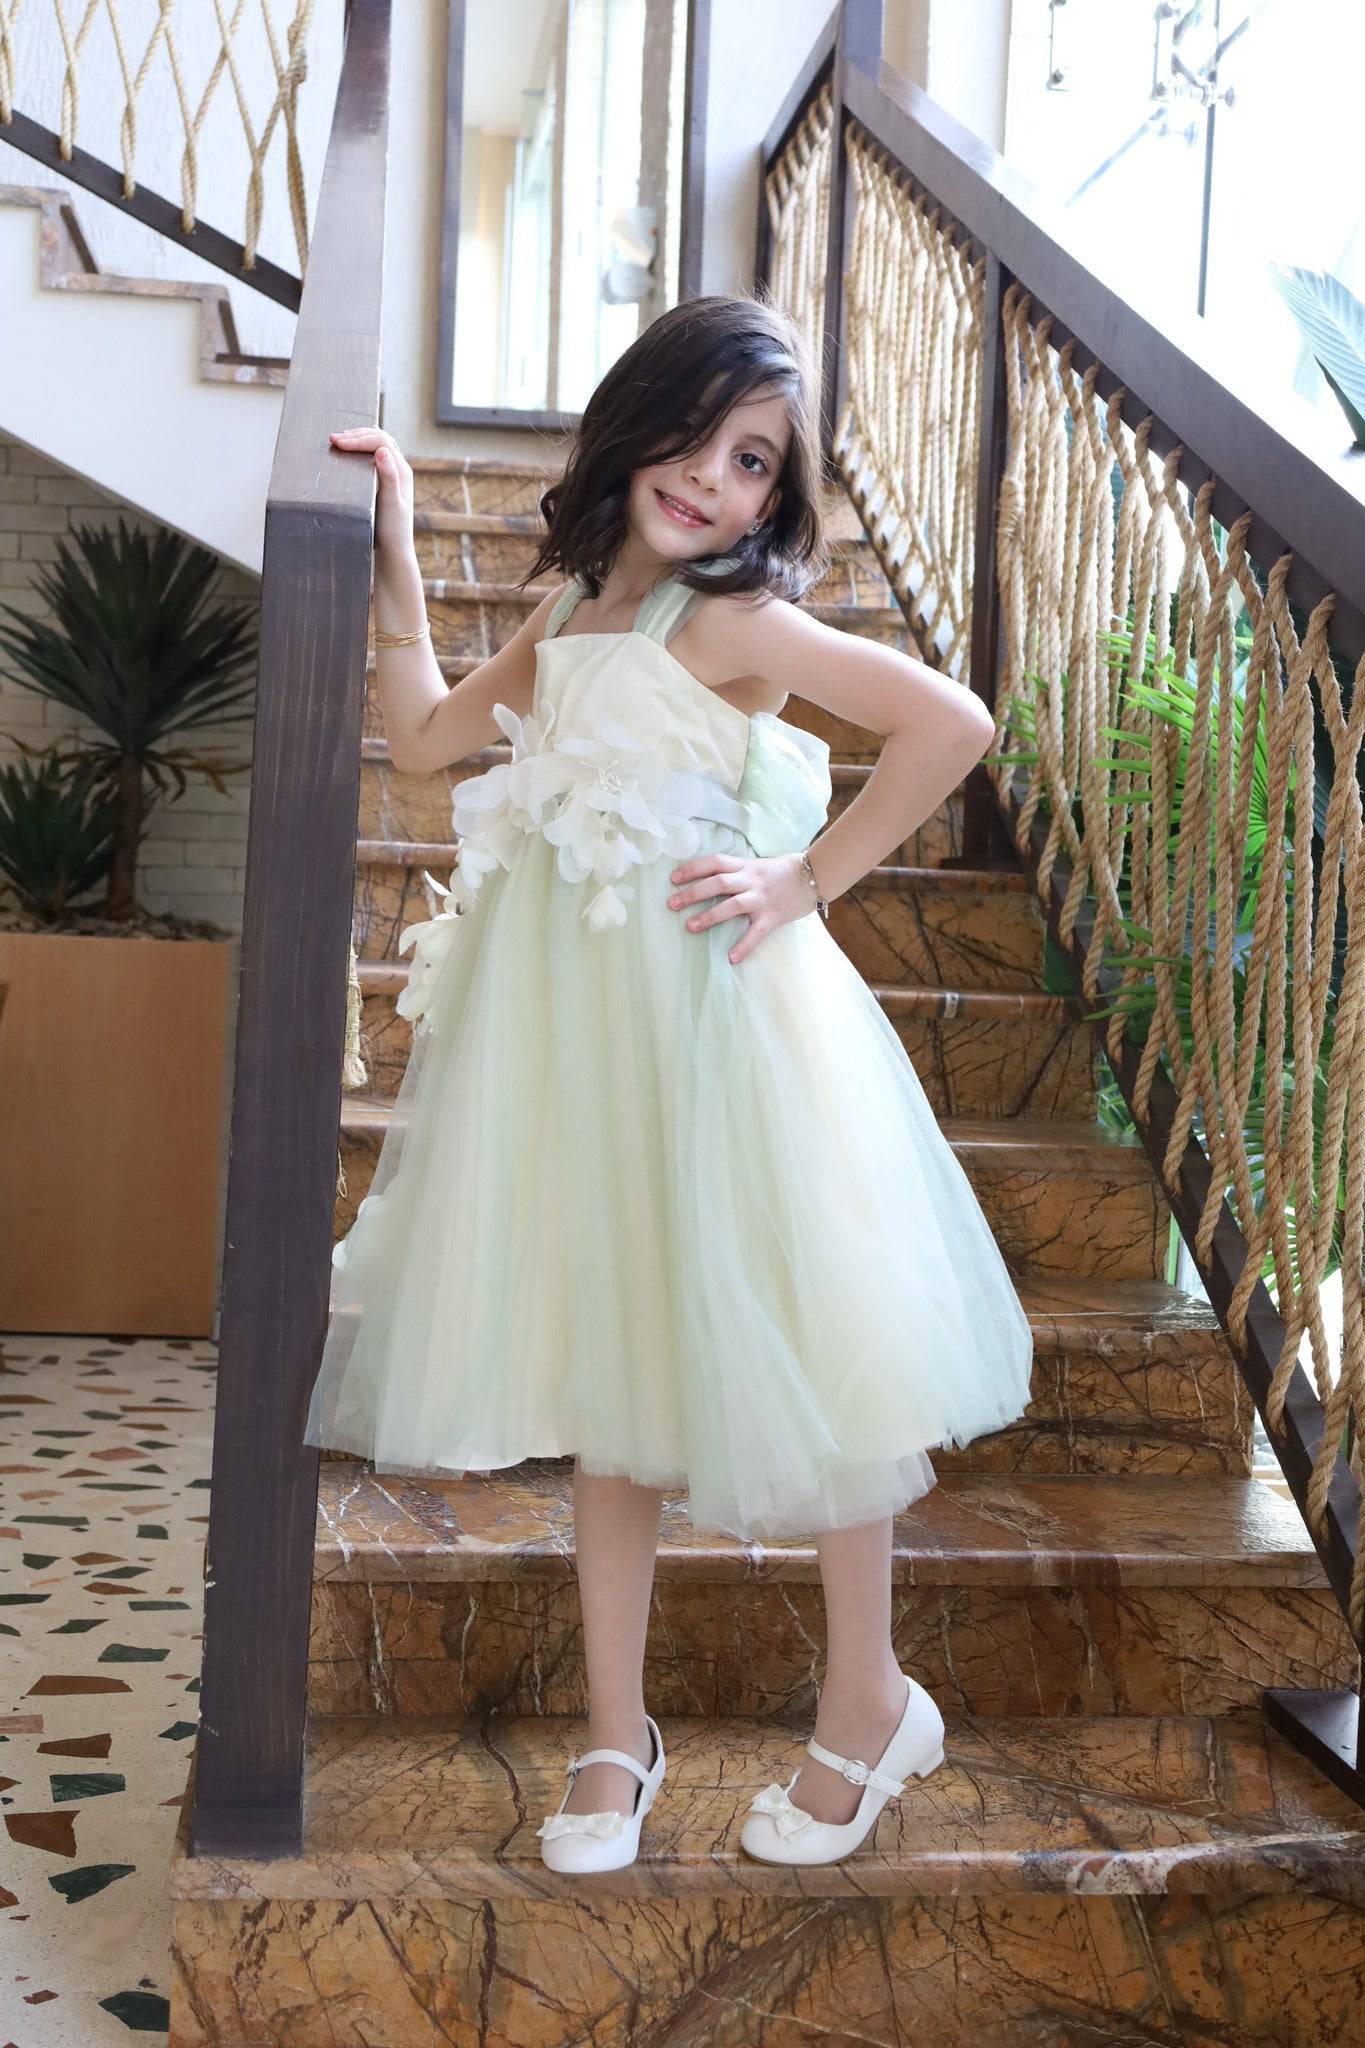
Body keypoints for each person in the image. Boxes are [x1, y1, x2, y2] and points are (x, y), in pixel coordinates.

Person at [308, 291, 1033, 1873]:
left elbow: (950, 723)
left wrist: (804, 878)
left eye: (753, 461)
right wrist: (393, 544)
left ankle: (866, 1700)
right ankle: (611, 1732)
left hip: (715, 1024)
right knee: (610, 1360)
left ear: (775, 496)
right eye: (697, 438)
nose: (713, 479)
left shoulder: (730, 619)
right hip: (577, 1040)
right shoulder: (574, 605)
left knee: (819, 1339)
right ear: (633, 424)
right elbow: (422, 739)